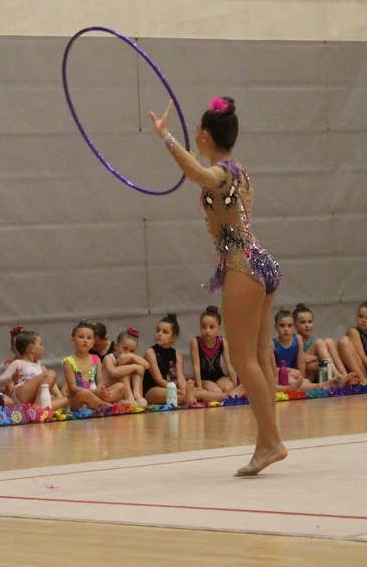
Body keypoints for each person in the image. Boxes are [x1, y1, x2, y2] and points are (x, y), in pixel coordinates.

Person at [150, 96, 286, 477]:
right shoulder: (238, 169)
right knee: (259, 357)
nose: (195, 134)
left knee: (243, 361)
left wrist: (165, 137)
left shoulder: (223, 173)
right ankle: (267, 441)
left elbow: (197, 174)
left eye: (197, 130)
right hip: (260, 262)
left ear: (206, 136)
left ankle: (272, 441)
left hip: (243, 267)